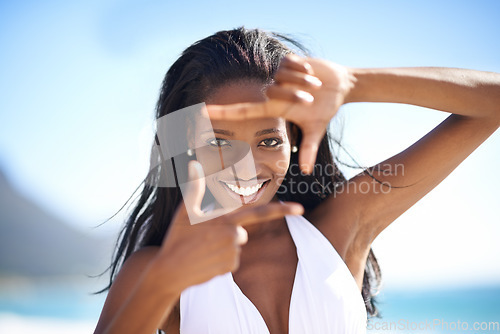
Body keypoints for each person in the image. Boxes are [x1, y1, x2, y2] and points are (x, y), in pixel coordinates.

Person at [93, 27, 500, 334]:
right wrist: (165, 281)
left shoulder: (340, 226)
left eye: (269, 139)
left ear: (294, 142)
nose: (247, 165)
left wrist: (357, 84)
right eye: (219, 141)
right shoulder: (155, 271)